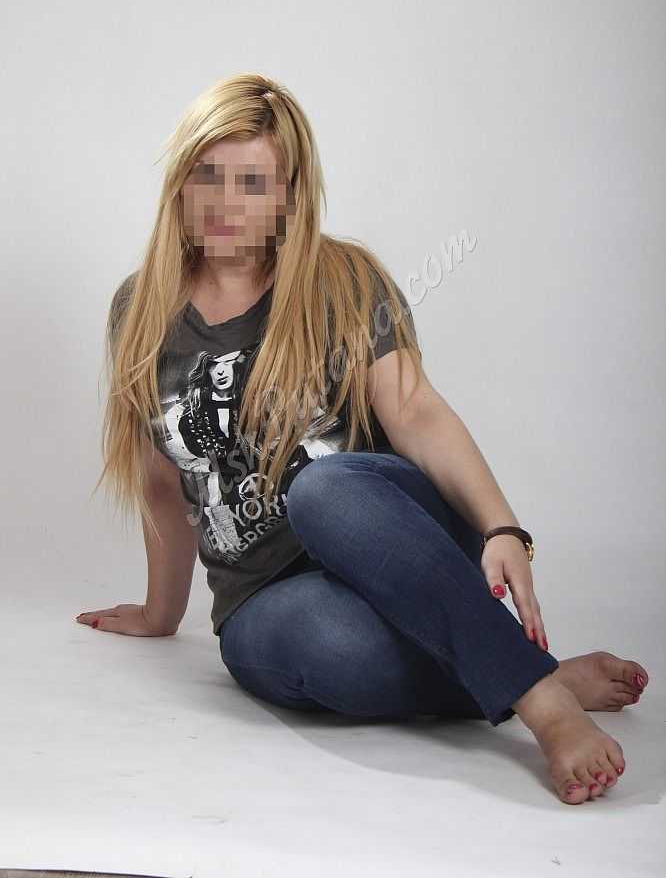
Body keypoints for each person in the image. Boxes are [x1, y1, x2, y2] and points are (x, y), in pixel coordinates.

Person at [78, 72, 648, 806]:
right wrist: (161, 615)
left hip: (390, 537)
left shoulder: (342, 278)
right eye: (207, 175)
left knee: (322, 488)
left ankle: (543, 705)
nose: (223, 203)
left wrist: (502, 527)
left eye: (251, 183)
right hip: (264, 598)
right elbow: (166, 480)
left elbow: (416, 411)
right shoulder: (139, 307)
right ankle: (538, 672)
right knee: (326, 649)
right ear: (180, 182)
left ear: (288, 196)